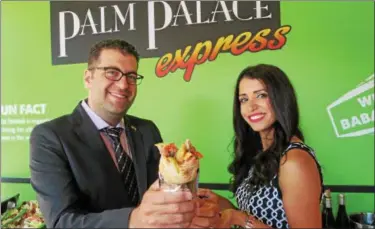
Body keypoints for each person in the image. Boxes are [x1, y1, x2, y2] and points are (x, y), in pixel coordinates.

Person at [29, 39, 217, 228]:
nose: (123, 85)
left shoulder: (147, 130)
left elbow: (162, 193)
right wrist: (133, 220)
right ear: (88, 78)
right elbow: (62, 222)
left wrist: (188, 208)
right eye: (112, 73)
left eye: (132, 76)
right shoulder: (50, 137)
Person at [198, 64, 324, 228]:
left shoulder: (293, 161)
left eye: (261, 95)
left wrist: (239, 219)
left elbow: (243, 219)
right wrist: (216, 201)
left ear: (281, 99)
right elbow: (251, 214)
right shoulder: (260, 153)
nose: (251, 107)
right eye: (244, 99)